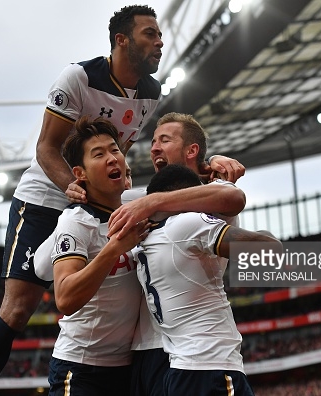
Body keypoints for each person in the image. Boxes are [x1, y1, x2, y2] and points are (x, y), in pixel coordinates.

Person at [0, 5, 164, 395]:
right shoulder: (78, 77)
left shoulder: (151, 94)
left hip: (94, 203)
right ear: (122, 40)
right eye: (150, 35)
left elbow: (116, 154)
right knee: (19, 309)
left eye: (159, 35)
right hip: (45, 198)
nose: (159, 43)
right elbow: (46, 147)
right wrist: (72, 189)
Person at [104, 112, 246, 396]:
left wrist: (154, 200)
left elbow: (233, 199)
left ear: (192, 150)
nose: (154, 147)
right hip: (146, 349)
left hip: (191, 353)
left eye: (164, 140)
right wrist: (76, 187)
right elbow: (98, 193)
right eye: (154, 141)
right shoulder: (140, 199)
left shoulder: (210, 196)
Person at [134, 164, 282, 396]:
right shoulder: (186, 224)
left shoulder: (146, 240)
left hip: (182, 371)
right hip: (211, 367)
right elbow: (270, 250)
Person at [32, 115, 149, 395]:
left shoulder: (139, 206)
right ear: (80, 174)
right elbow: (65, 298)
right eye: (99, 154)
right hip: (81, 369)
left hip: (127, 367)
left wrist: (213, 163)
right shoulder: (77, 221)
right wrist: (113, 249)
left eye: (115, 150)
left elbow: (187, 191)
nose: (112, 158)